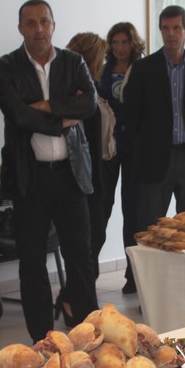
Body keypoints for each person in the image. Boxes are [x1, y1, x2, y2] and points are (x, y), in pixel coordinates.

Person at [0, 0, 98, 341]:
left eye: (44, 22)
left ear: (53, 24)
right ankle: (43, 340)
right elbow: (18, 116)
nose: (38, 29)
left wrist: (47, 106)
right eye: (31, 23)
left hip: (71, 175)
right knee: (32, 262)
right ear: (20, 28)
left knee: (80, 257)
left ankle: (87, 334)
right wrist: (65, 116)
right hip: (30, 178)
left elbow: (89, 104)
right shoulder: (5, 66)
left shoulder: (73, 61)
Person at [123, 5, 185, 227]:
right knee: (150, 227)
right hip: (153, 159)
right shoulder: (143, 70)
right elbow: (132, 117)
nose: (171, 33)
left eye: (176, 28)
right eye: (165, 28)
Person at [98, 22, 144, 294]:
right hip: (108, 146)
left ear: (132, 43)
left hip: (134, 147)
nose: (119, 47)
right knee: (102, 205)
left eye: (124, 42)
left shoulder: (141, 69)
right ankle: (89, 270)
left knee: (133, 211)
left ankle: (133, 275)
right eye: (114, 42)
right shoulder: (103, 70)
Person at [65, 31, 109, 302]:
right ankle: (75, 298)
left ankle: (74, 296)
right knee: (89, 241)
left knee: (93, 239)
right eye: (101, 58)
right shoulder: (80, 91)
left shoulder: (90, 87)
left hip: (93, 174)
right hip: (85, 177)